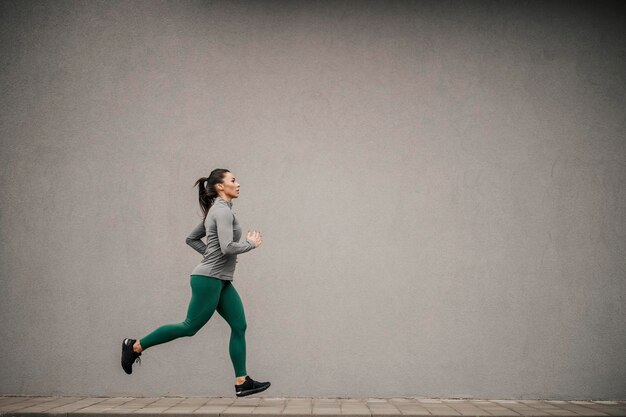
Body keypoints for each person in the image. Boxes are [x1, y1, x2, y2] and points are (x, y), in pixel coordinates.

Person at [120, 168, 271, 397]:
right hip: (208, 279)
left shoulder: (218, 211)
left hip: (221, 280)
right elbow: (227, 247)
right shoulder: (221, 212)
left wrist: (210, 257)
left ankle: (242, 381)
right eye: (233, 180)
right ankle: (135, 345)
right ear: (220, 186)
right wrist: (251, 244)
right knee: (190, 327)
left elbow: (191, 239)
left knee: (239, 326)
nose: (238, 183)